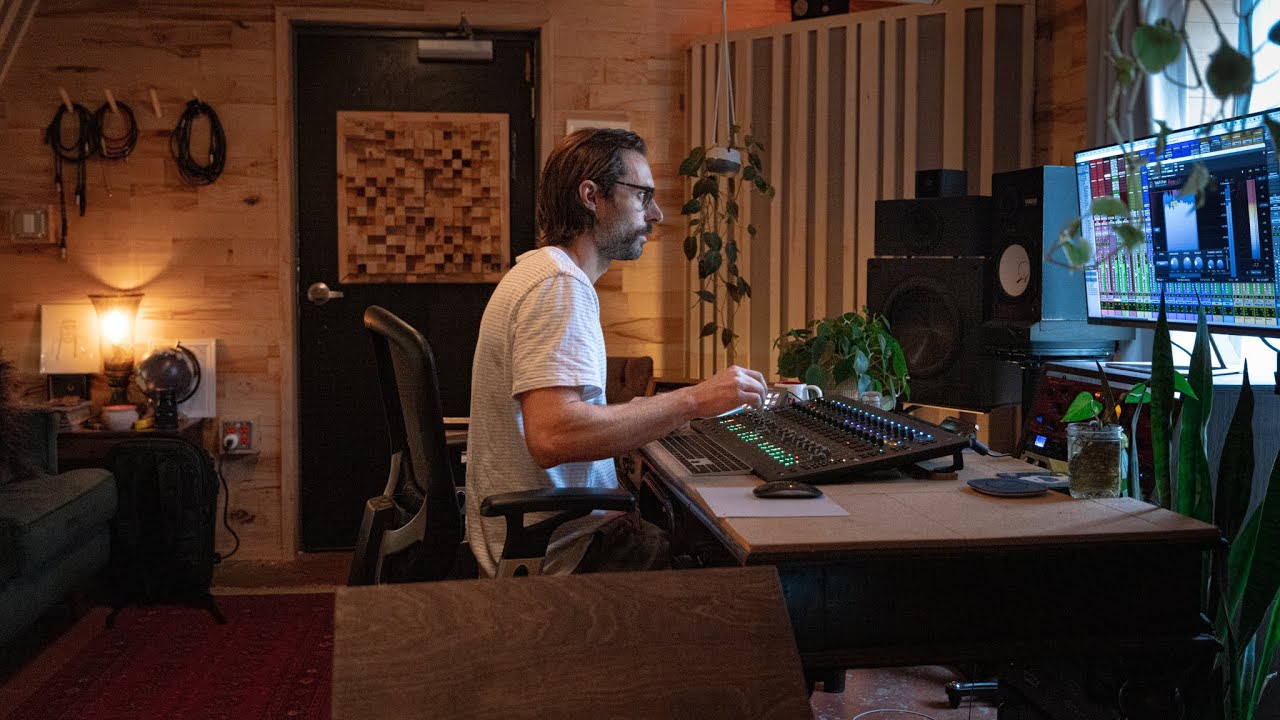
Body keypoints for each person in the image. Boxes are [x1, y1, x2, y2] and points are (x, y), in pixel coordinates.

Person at [466, 128, 768, 576]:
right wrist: (694, 400)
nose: (657, 214)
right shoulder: (558, 285)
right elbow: (553, 435)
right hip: (567, 554)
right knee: (732, 562)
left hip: (542, 536)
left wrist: (653, 409)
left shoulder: (541, 273)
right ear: (591, 196)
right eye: (643, 195)